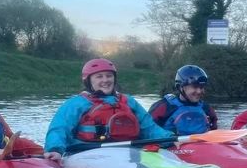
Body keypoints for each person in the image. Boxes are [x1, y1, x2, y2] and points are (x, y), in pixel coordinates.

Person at [44, 58, 174, 158]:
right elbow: (59, 128)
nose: (105, 80)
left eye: (109, 75)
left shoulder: (128, 101)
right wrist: (55, 149)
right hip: (87, 153)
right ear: (88, 81)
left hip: (128, 152)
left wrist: (170, 139)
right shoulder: (76, 104)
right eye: (99, 76)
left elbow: (149, 127)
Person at [148, 64, 219, 136]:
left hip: (201, 145)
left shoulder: (206, 108)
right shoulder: (164, 107)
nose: (199, 91)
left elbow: (214, 130)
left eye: (201, 87)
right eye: (195, 87)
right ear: (180, 87)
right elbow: (147, 131)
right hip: (170, 146)